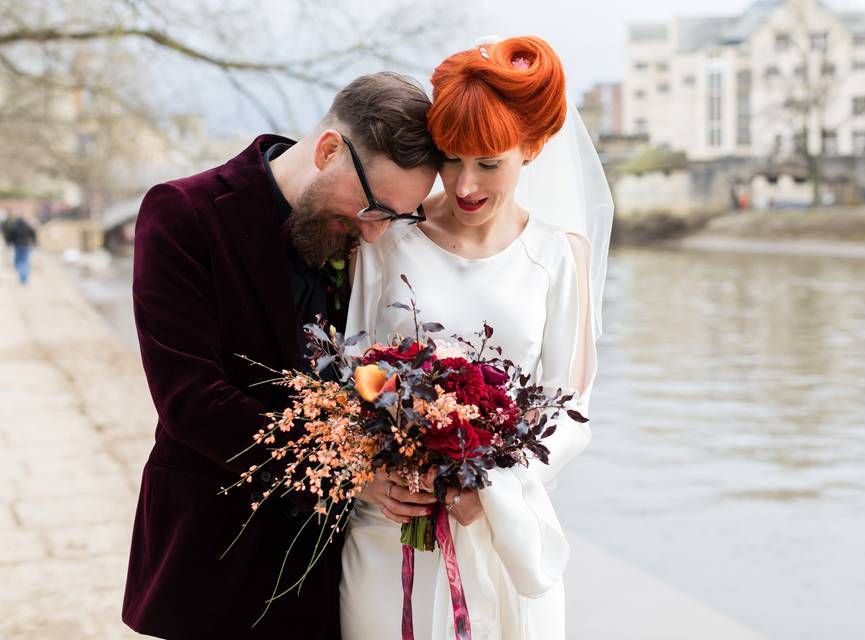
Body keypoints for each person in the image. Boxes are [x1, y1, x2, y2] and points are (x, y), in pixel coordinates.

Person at [121, 72, 440, 639]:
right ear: (327, 150)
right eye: (375, 208)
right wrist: (351, 470)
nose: (374, 235)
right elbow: (190, 402)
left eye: (394, 218)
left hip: (321, 574)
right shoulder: (183, 213)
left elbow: (374, 368)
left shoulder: (364, 242)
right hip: (210, 556)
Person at [341, 36, 613, 639]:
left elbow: (569, 410)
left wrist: (492, 488)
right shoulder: (389, 239)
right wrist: (376, 464)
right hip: (392, 521)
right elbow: (356, 366)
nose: (464, 184)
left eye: (489, 163)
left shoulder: (558, 257)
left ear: (533, 149)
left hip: (501, 528)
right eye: (451, 157)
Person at [6, 215, 37, 285]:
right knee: (24, 261)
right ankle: (24, 276)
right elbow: (33, 234)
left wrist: (9, 244)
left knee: (19, 261)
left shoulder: (14, 227)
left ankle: (23, 276)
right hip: (26, 245)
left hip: (18, 246)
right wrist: (34, 242)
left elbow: (10, 236)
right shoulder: (27, 226)